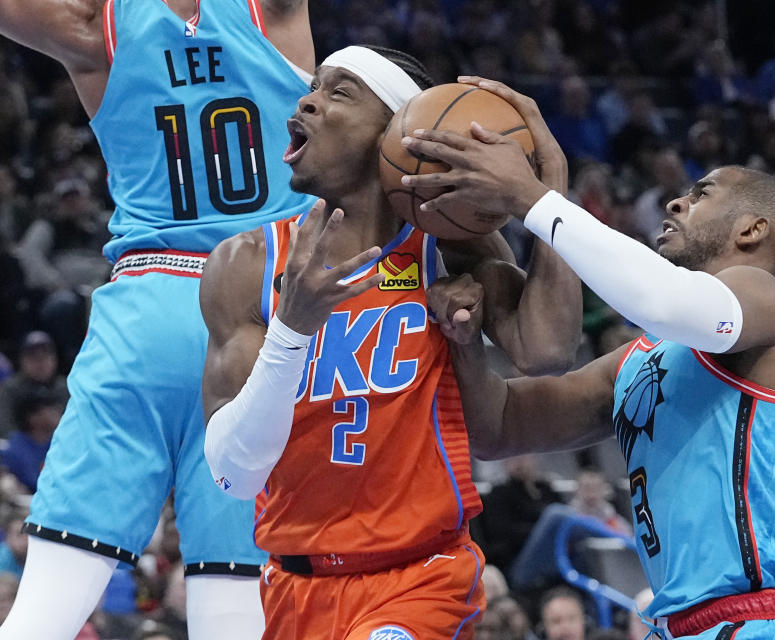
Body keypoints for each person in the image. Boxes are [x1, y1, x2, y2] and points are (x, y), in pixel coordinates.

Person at [401, 78, 775, 638]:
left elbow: (659, 300)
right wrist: (465, 341)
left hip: (763, 619)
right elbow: (498, 427)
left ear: (752, 230)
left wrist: (533, 198)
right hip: (675, 623)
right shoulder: (645, 356)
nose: (678, 201)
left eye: (702, 194)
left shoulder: (770, 304)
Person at [200, 54, 581, 638]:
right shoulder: (246, 265)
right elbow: (233, 476)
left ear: (399, 131)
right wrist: (292, 329)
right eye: (312, 88)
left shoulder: (450, 249)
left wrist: (549, 194)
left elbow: (547, 348)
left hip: (421, 577)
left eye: (340, 92)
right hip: (294, 587)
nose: (306, 102)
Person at [0, 1, 316, 638]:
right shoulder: (272, 12)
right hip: (263, 314)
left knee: (44, 607)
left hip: (145, 312)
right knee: (232, 594)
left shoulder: (95, 26)